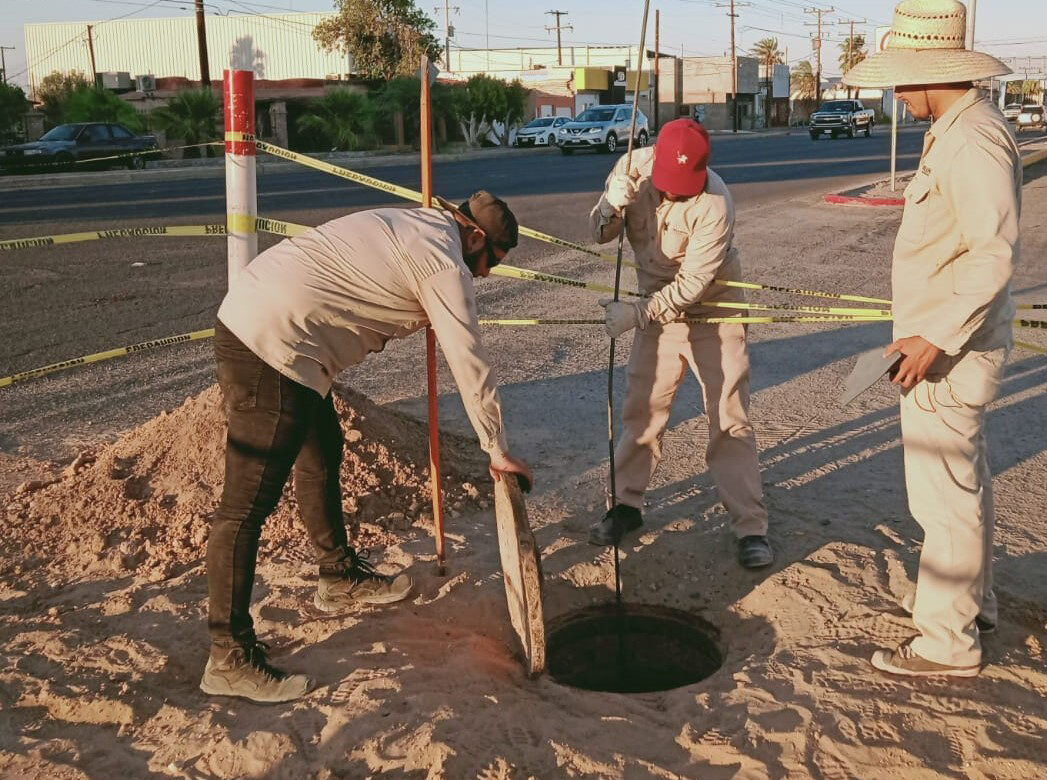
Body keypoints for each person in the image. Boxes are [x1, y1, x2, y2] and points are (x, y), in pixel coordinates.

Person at [203, 192, 535, 702]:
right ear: (473, 238)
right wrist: (496, 446)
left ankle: (337, 576)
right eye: (489, 262)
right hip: (271, 345)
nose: (484, 276)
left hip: (281, 333)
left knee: (323, 449)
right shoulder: (442, 261)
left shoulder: (420, 224)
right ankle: (228, 657)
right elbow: (469, 359)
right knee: (245, 509)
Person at [843, 0, 1019, 678]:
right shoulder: (956, 130)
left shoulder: (972, 139)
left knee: (942, 501)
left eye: (899, 79)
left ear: (926, 72)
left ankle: (947, 644)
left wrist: (936, 338)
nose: (895, 92)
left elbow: (992, 254)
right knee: (960, 491)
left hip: (946, 354)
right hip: (938, 346)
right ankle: (973, 608)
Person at [589, 118, 773, 570]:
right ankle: (627, 507)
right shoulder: (631, 169)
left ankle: (750, 526)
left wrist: (636, 315)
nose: (673, 195)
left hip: (715, 309)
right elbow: (598, 234)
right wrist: (611, 208)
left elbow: (692, 284)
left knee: (729, 416)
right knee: (642, 410)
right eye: (668, 186)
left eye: (683, 190)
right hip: (655, 308)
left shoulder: (716, 203)